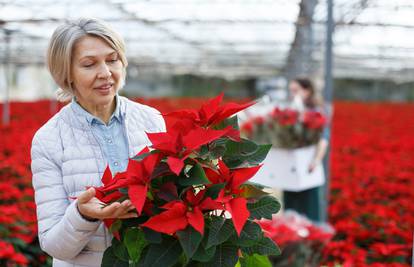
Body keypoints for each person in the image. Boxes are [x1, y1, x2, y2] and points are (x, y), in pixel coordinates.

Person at [31, 18, 165, 266]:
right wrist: (83, 215)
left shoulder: (152, 121)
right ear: (66, 73)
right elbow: (53, 244)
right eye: (89, 64)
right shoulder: (49, 140)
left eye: (112, 59)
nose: (106, 73)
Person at [283, 77, 330, 222]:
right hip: (291, 166)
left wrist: (316, 161)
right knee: (291, 209)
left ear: (307, 91)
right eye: (291, 91)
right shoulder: (290, 111)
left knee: (310, 207)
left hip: (308, 165)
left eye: (296, 90)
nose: (293, 94)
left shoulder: (316, 112)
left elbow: (323, 139)